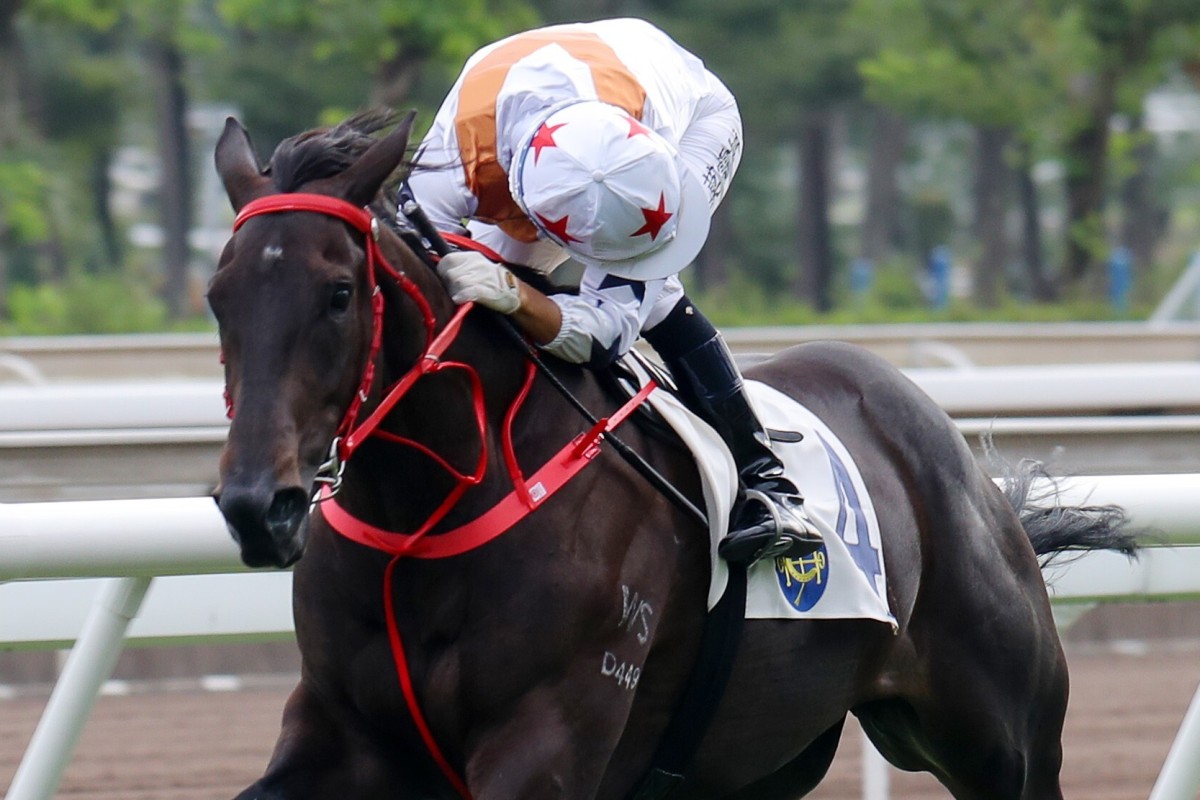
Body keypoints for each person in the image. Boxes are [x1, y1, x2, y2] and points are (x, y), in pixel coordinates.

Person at [405, 17, 821, 565]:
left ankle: (767, 481)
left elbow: (607, 335)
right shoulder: (453, 165)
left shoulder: (648, 127)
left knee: (654, 295)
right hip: (531, 134)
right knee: (469, 289)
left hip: (691, 118)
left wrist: (516, 293)